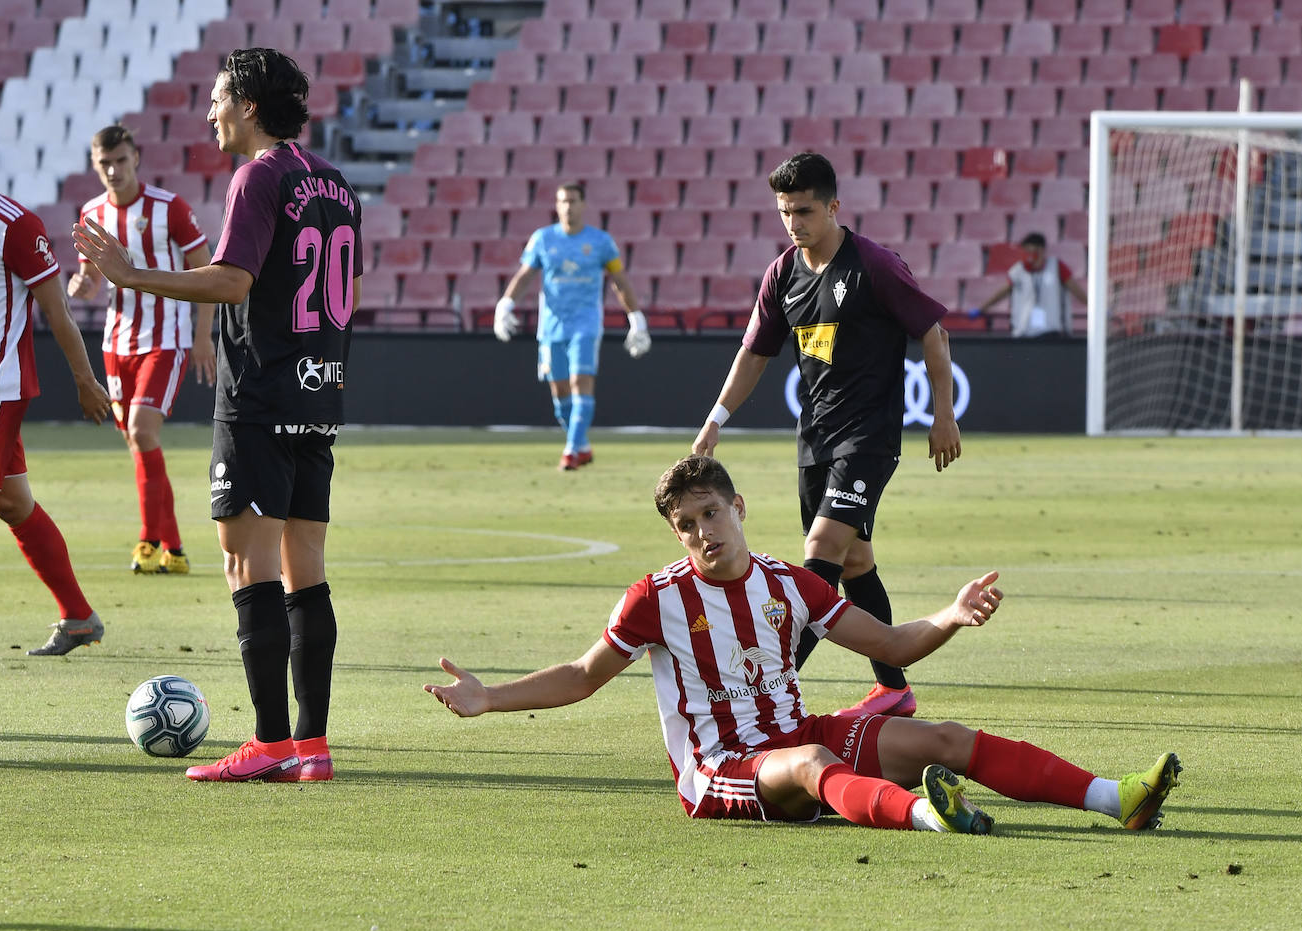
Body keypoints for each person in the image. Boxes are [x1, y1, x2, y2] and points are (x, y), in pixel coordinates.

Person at [427, 455, 1181, 834]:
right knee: (815, 762)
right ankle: (928, 817)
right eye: (685, 525)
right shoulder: (657, 598)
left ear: (738, 507)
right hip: (721, 770)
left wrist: (950, 616)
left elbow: (891, 643)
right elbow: (584, 675)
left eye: (711, 514)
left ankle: (1119, 800)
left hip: (796, 736)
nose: (702, 534)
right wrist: (490, 696)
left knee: (944, 737)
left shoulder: (790, 584)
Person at [74, 47, 361, 782]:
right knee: (308, 571)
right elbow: (344, 283)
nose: (209, 112)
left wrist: (132, 275)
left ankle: (267, 744)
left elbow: (233, 282)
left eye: (217, 99)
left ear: (250, 106)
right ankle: (312, 744)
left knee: (247, 566)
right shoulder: (334, 182)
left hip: (260, 396)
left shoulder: (256, 177)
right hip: (319, 390)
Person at [691, 152, 960, 720]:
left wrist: (943, 415)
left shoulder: (875, 266)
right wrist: (716, 418)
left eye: (805, 211)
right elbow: (754, 354)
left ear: (834, 207)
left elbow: (933, 335)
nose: (794, 222)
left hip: (868, 438)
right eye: (785, 212)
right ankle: (894, 689)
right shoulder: (782, 273)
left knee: (821, 555)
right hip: (814, 440)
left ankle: (768, 684)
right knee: (856, 564)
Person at [0, 170, 113, 654]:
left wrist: (86, 381)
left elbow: (56, 310)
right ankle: (78, 617)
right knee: (11, 503)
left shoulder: (13, 225)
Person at [68, 124, 216, 575]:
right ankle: (174, 548)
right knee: (137, 440)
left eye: (120, 161)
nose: (113, 170)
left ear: (136, 158)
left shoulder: (169, 208)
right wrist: (82, 284)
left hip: (165, 339)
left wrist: (202, 334)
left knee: (142, 431)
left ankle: (148, 542)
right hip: (117, 342)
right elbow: (91, 277)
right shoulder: (92, 211)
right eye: (104, 164)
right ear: (95, 166)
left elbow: (203, 267)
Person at [493, 182, 651, 471]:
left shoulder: (601, 242)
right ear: (557, 205)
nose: (568, 206)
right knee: (560, 392)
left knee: (581, 384)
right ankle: (582, 445)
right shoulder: (542, 239)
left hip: (586, 324)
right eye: (563, 201)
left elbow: (619, 281)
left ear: (583, 205)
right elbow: (525, 275)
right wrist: (505, 304)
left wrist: (636, 318)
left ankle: (570, 452)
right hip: (551, 326)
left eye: (573, 201)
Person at [969, 232, 1087, 338]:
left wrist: (1095, 308)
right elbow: (1001, 293)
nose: (1029, 256)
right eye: (1026, 252)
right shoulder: (1018, 271)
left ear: (1041, 250)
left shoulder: (1056, 267)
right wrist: (981, 309)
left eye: (1032, 252)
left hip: (1050, 332)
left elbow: (1076, 290)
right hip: (1023, 332)